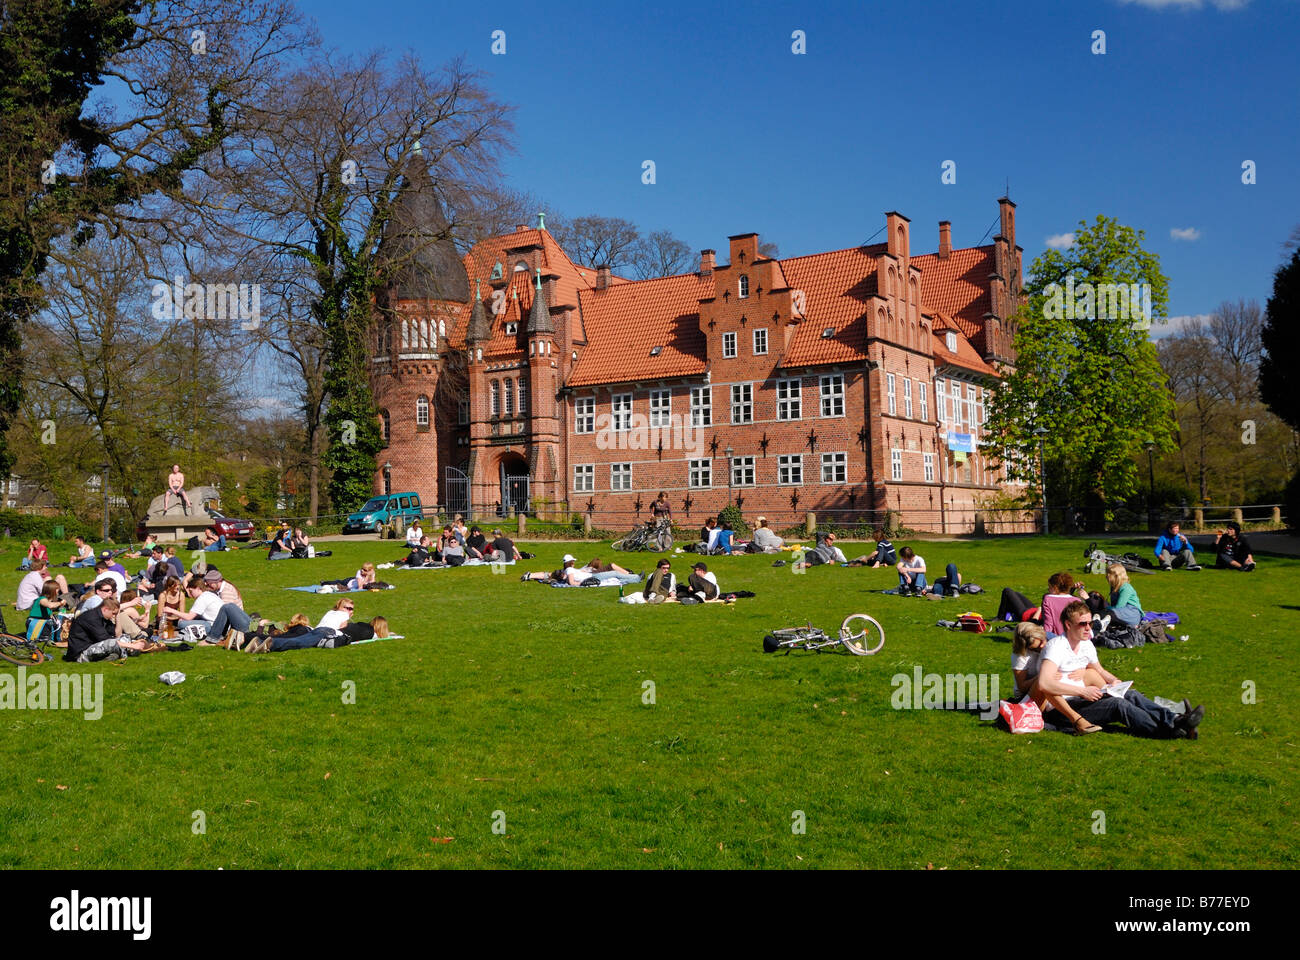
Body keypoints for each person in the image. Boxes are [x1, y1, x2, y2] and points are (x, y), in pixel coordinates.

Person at [1036, 601, 1203, 739]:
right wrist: (1082, 691)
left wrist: (1115, 682)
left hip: (1084, 698)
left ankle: (1175, 719)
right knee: (1118, 705)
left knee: (1130, 694)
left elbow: (1100, 671)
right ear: (1068, 625)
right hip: (1062, 710)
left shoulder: (1086, 644)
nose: (1088, 628)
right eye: (1082, 624)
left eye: (1091, 623)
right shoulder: (1056, 646)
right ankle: (1169, 732)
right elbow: (1044, 683)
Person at [1010, 622, 1102, 735]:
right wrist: (1042, 676)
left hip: (1055, 681)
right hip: (1030, 695)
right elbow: (1022, 687)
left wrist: (1082, 670)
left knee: (1090, 673)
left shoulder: (1053, 641)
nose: (1042, 647)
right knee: (1044, 683)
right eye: (1035, 648)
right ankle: (1073, 719)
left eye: (1042, 642)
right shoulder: (1020, 656)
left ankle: (1112, 696)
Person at [66, 599, 161, 662]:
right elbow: (107, 641)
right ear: (105, 609)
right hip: (80, 653)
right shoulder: (91, 618)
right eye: (113, 613)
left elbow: (117, 634)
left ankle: (120, 653)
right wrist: (132, 645)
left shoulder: (103, 617)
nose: (113, 616)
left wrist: (118, 616)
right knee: (113, 643)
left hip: (95, 646)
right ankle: (127, 651)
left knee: (125, 637)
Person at [1103, 563, 1143, 629]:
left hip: (1131, 613)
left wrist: (1106, 608)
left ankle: (1102, 622)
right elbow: (1114, 605)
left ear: (1117, 576)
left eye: (1109, 574)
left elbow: (1119, 606)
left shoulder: (1126, 588)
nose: (1107, 576)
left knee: (1109, 613)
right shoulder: (1114, 587)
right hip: (1119, 612)